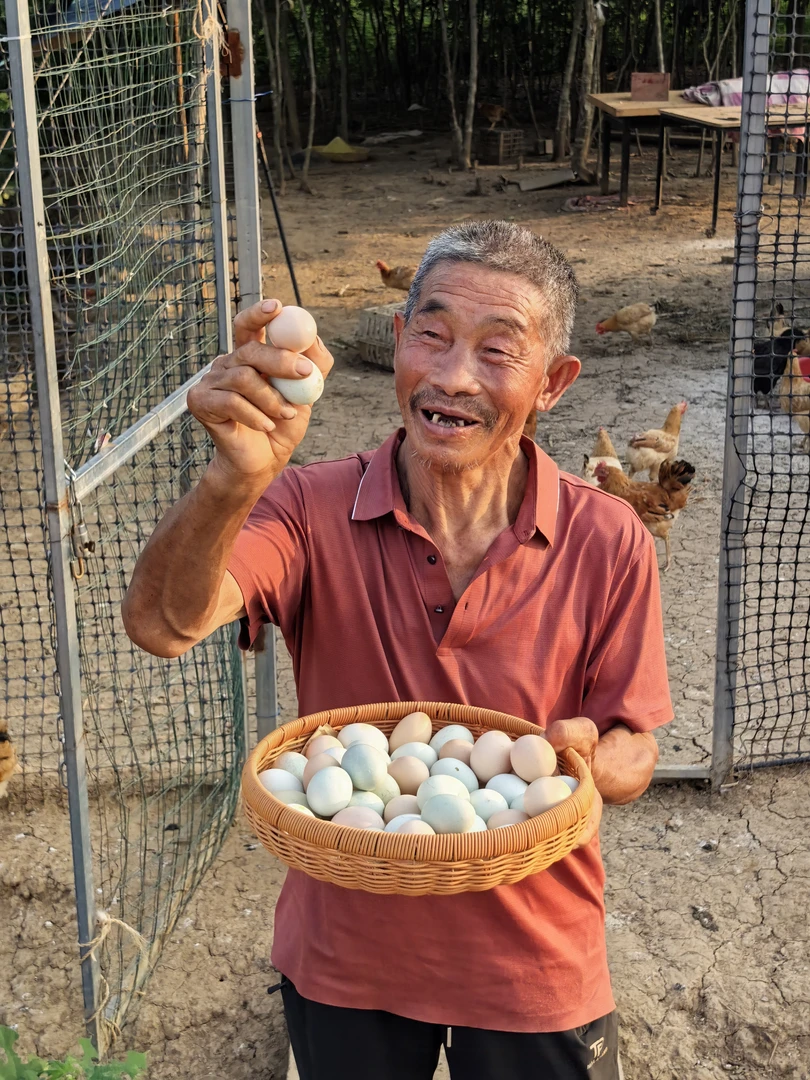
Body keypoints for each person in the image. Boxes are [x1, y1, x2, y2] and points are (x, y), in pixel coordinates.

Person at [123, 220, 672, 1079]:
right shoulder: (307, 508)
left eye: (499, 351)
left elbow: (636, 743)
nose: (453, 376)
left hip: (535, 963)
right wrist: (231, 482)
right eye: (433, 334)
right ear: (397, 341)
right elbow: (162, 624)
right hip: (349, 958)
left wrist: (588, 761)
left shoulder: (608, 540)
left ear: (554, 383)